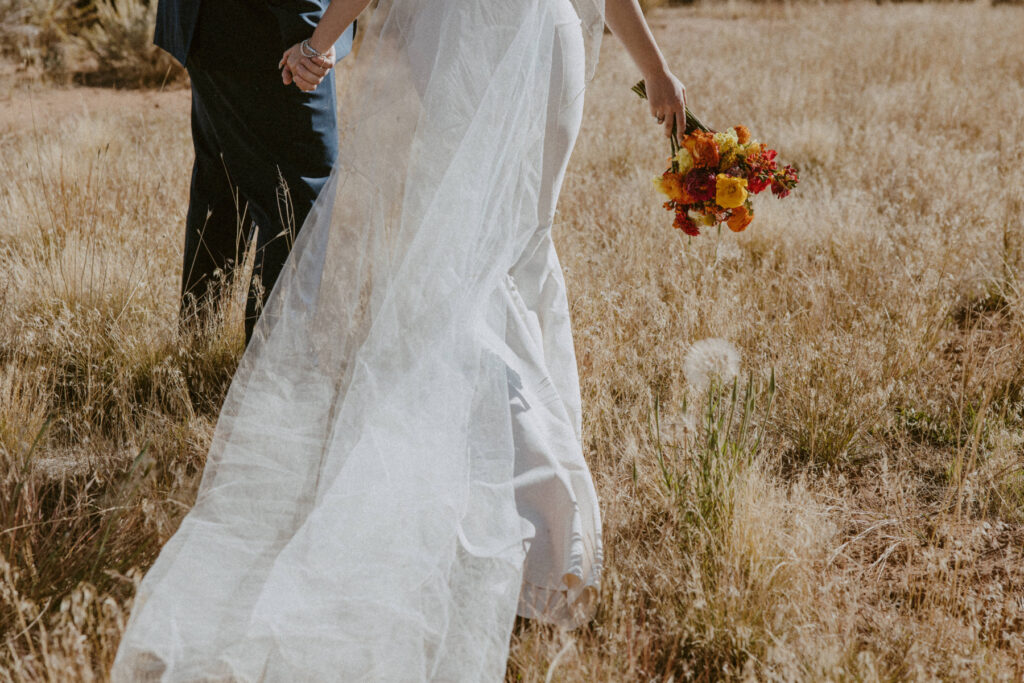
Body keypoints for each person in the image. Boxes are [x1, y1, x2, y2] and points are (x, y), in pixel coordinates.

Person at [112, 0, 687, 679]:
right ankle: (547, 528)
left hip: (464, 37)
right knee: (521, 250)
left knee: (466, 264)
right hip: (549, 33)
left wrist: (321, 41)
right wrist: (655, 69)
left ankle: (528, 515)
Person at [155, 0, 355, 343]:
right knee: (299, 197)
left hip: (211, 24)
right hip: (275, 29)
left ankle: (197, 349)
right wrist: (314, 41)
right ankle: (270, 375)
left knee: (225, 186)